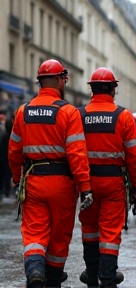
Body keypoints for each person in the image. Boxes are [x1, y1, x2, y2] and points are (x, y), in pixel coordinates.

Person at [8, 59, 93, 288]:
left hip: (33, 181)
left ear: (39, 81)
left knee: (34, 233)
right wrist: (85, 187)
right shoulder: (68, 112)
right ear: (59, 80)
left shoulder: (23, 111)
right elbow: (77, 154)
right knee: (59, 236)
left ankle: (35, 270)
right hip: (62, 185)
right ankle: (53, 279)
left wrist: (18, 179)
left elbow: (14, 151)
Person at [78, 67, 136, 288]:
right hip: (114, 183)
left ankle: (91, 274)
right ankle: (107, 277)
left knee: (89, 228)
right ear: (113, 89)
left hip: (87, 183)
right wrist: (134, 185)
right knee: (110, 232)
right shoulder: (124, 116)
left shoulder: (79, 115)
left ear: (92, 89)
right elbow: (134, 156)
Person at [0, 118, 13, 199]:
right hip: (9, 158)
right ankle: (7, 191)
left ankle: (3, 190)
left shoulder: (3, 134)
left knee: (2, 175)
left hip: (2, 158)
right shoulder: (12, 137)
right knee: (8, 175)